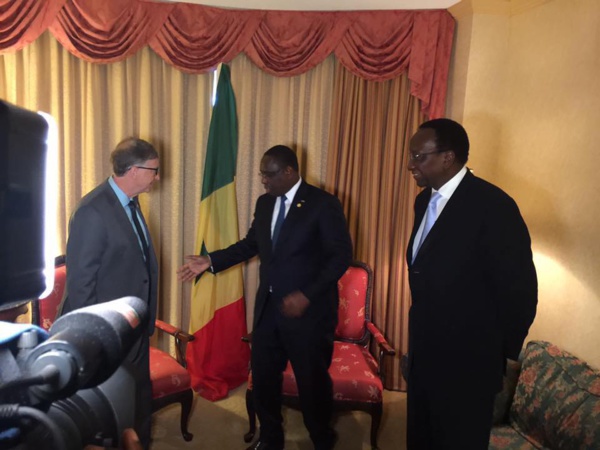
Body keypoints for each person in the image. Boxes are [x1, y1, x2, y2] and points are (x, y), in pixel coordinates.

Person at [178, 145, 352, 450]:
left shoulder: (323, 204)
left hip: (308, 315)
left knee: (311, 383)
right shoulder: (265, 203)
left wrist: (307, 295)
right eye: (261, 174)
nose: (263, 180)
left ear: (289, 171)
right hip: (269, 312)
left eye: (268, 174)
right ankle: (271, 439)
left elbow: (340, 257)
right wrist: (211, 261)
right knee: (264, 380)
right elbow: (250, 244)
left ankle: (322, 438)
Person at [405, 118, 538, 449]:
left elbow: (520, 291)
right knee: (421, 437)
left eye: (419, 156)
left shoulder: (493, 207)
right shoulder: (424, 201)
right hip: (425, 354)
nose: (410, 164)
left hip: (469, 364)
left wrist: (502, 355)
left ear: (448, 157)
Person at [59, 137, 160, 449]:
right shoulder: (93, 211)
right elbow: (80, 285)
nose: (157, 177)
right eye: (153, 170)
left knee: (140, 399)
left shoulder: (130, 202)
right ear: (132, 170)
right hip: (106, 335)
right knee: (110, 413)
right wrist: (96, 341)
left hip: (133, 325)